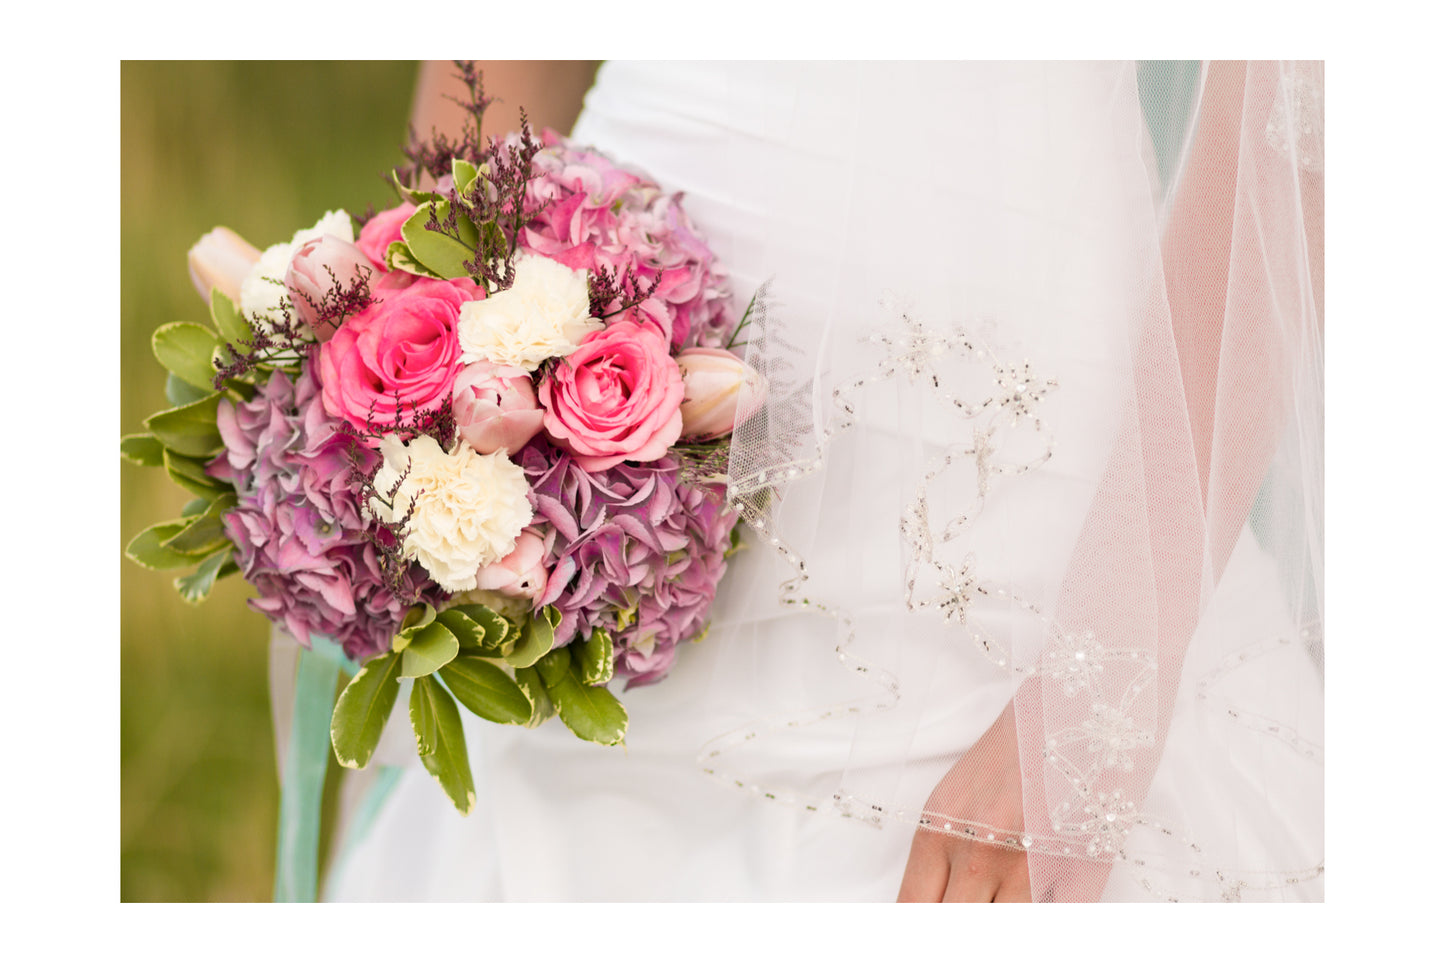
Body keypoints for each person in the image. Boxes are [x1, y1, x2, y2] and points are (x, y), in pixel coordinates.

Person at [322, 60, 1324, 902]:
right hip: (584, 409)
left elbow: (1288, 114)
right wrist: (430, 326)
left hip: (1005, 465)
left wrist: (1099, 690)